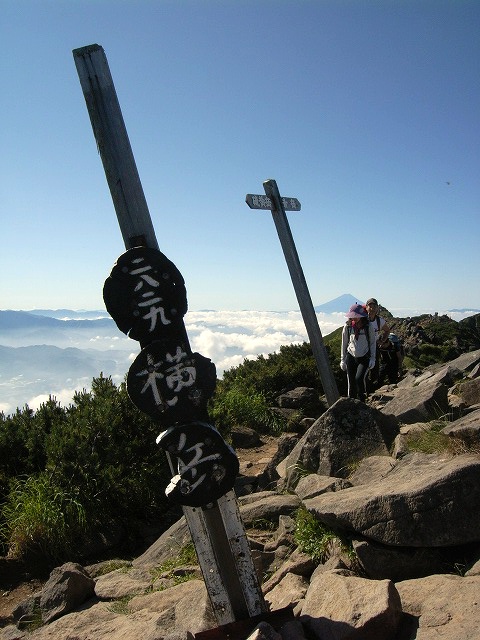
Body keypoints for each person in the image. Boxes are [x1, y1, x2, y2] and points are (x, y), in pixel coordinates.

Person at [340, 303, 376, 403]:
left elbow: (373, 343)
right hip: (350, 356)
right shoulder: (347, 327)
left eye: (356, 316)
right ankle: (351, 402)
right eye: (352, 316)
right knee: (351, 381)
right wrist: (342, 360)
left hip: (364, 357)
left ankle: (362, 400)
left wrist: (373, 358)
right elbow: (344, 343)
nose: (354, 318)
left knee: (359, 379)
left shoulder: (368, 327)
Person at [365, 298, 390, 391]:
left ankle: (371, 389)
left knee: (374, 370)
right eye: (370, 305)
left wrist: (382, 340)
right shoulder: (362, 319)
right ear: (366, 307)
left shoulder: (380, 321)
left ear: (377, 307)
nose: (372, 308)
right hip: (363, 347)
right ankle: (365, 390)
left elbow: (387, 330)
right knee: (364, 370)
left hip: (374, 347)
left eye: (374, 306)